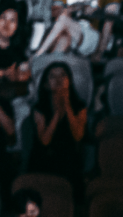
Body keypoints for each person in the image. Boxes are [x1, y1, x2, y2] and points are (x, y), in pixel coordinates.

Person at [28, 63, 88, 191]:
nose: (58, 80)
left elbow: (78, 136)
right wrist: (56, 114)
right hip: (45, 156)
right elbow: (45, 141)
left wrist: (67, 107)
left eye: (62, 75)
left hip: (69, 156)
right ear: (46, 84)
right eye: (52, 76)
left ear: (69, 80)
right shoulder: (39, 108)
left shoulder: (80, 106)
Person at [35, 0, 123, 59]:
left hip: (92, 35)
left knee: (63, 20)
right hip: (68, 31)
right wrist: (78, 8)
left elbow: (109, 22)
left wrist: (99, 52)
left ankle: (38, 55)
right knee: (63, 39)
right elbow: (55, 13)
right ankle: (55, 64)